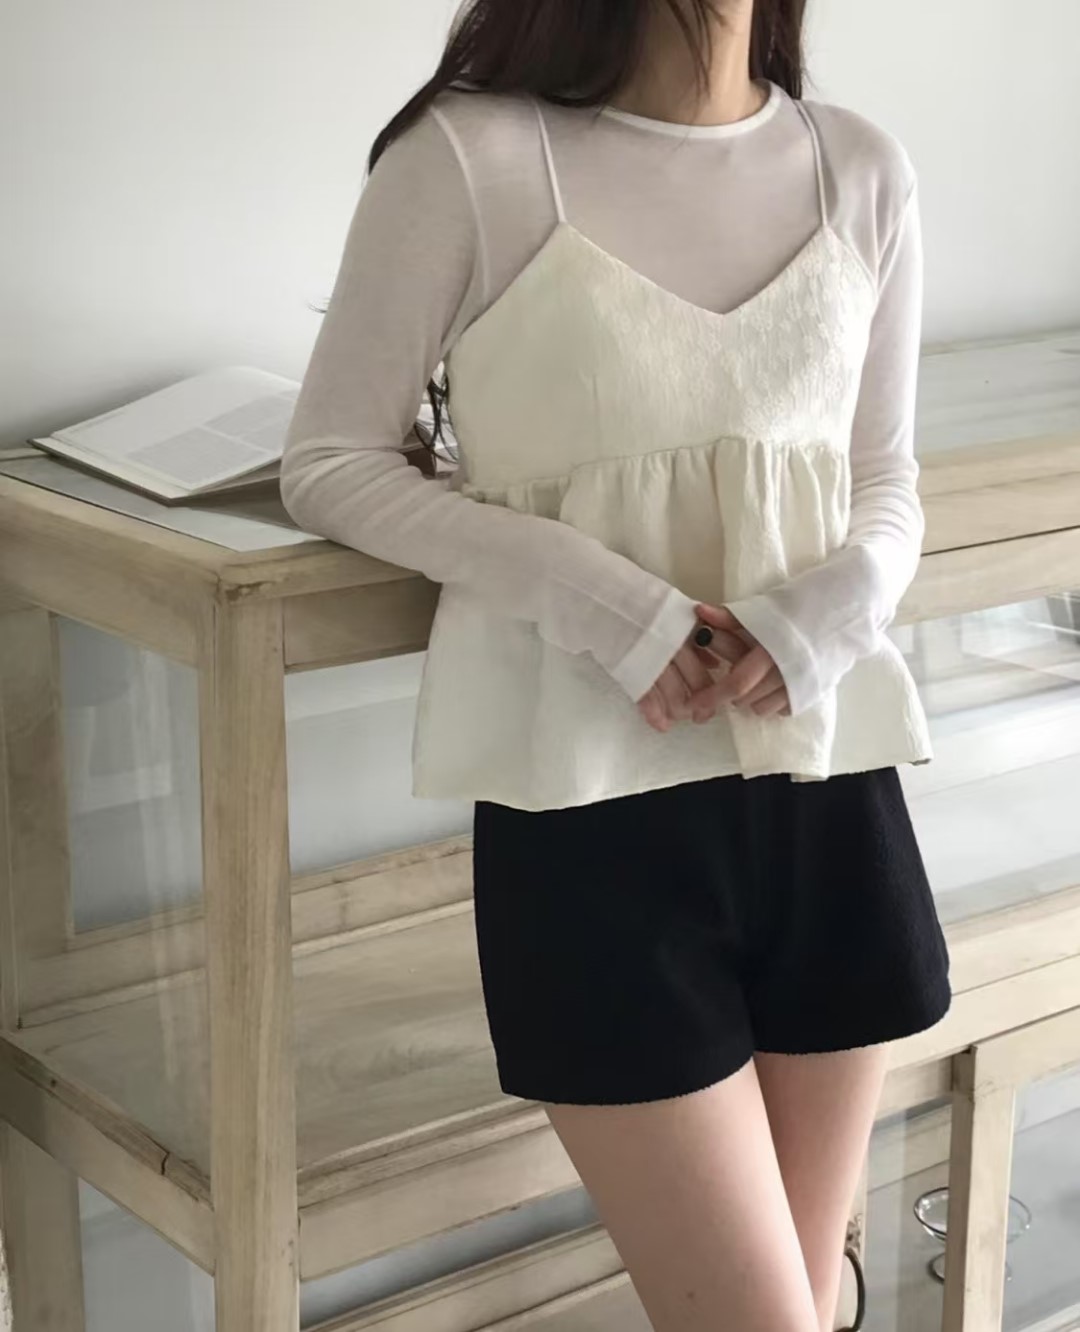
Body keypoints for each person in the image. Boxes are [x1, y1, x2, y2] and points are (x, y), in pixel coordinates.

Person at [280, 2, 953, 1327]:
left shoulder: (860, 168)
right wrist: (602, 602)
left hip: (829, 793)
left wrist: (835, 608)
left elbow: (885, 479)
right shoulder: (471, 158)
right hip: (593, 821)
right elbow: (332, 462)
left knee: (814, 1298)